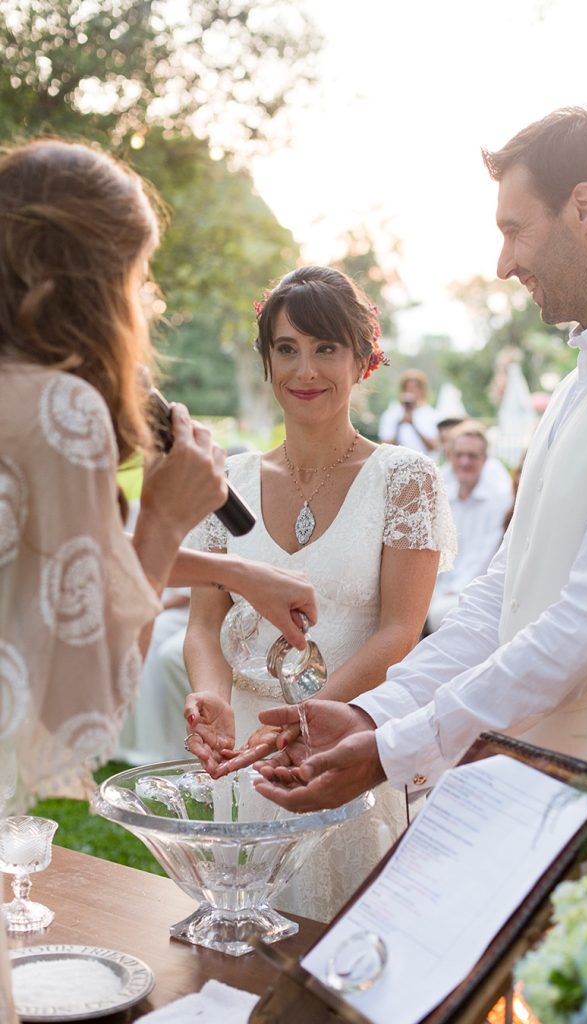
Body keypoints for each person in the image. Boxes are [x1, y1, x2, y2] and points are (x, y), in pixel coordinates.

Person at [249, 107, 587, 814]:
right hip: (530, 790)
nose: (503, 263)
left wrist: (395, 748)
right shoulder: (580, 382)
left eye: (514, 230)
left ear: (582, 208)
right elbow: (500, 596)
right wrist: (373, 714)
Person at [0, 138, 317, 817]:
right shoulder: (63, 409)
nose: (150, 299)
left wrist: (236, 574)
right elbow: (88, 701)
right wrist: (166, 512)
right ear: (92, 278)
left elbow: (49, 560)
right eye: (139, 273)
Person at [183, 265, 455, 920]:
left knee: (346, 954)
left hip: (344, 740)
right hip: (245, 752)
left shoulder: (403, 478)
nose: (304, 370)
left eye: (325, 348)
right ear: (267, 360)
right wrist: (208, 697)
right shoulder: (227, 482)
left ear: (364, 359)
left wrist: (304, 722)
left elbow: (398, 632)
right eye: (286, 348)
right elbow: (202, 626)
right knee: (240, 949)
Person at [426, 421, 512, 632]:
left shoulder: (498, 499)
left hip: (471, 592)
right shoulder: (440, 490)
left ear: (484, 460)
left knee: (443, 614)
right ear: (450, 456)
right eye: (459, 455)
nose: (465, 462)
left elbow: (483, 557)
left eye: (472, 456)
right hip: (435, 588)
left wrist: (453, 590)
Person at [378, 368, 440, 456]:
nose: (411, 391)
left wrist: (413, 425)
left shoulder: (432, 415)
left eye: (415, 388)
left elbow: (434, 446)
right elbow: (384, 447)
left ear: (422, 390)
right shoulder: (391, 413)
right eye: (407, 388)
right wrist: (398, 425)